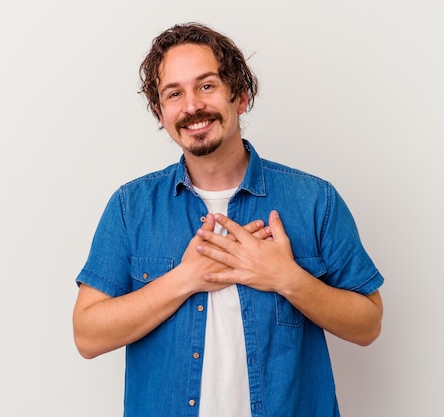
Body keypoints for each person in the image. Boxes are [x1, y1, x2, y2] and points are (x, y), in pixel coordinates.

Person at [73, 22, 384, 417]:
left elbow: (368, 324)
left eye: (206, 86)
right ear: (160, 112)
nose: (191, 107)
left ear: (240, 96)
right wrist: (184, 279)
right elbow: (87, 335)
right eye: (174, 93)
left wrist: (287, 279)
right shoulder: (131, 207)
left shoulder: (314, 200)